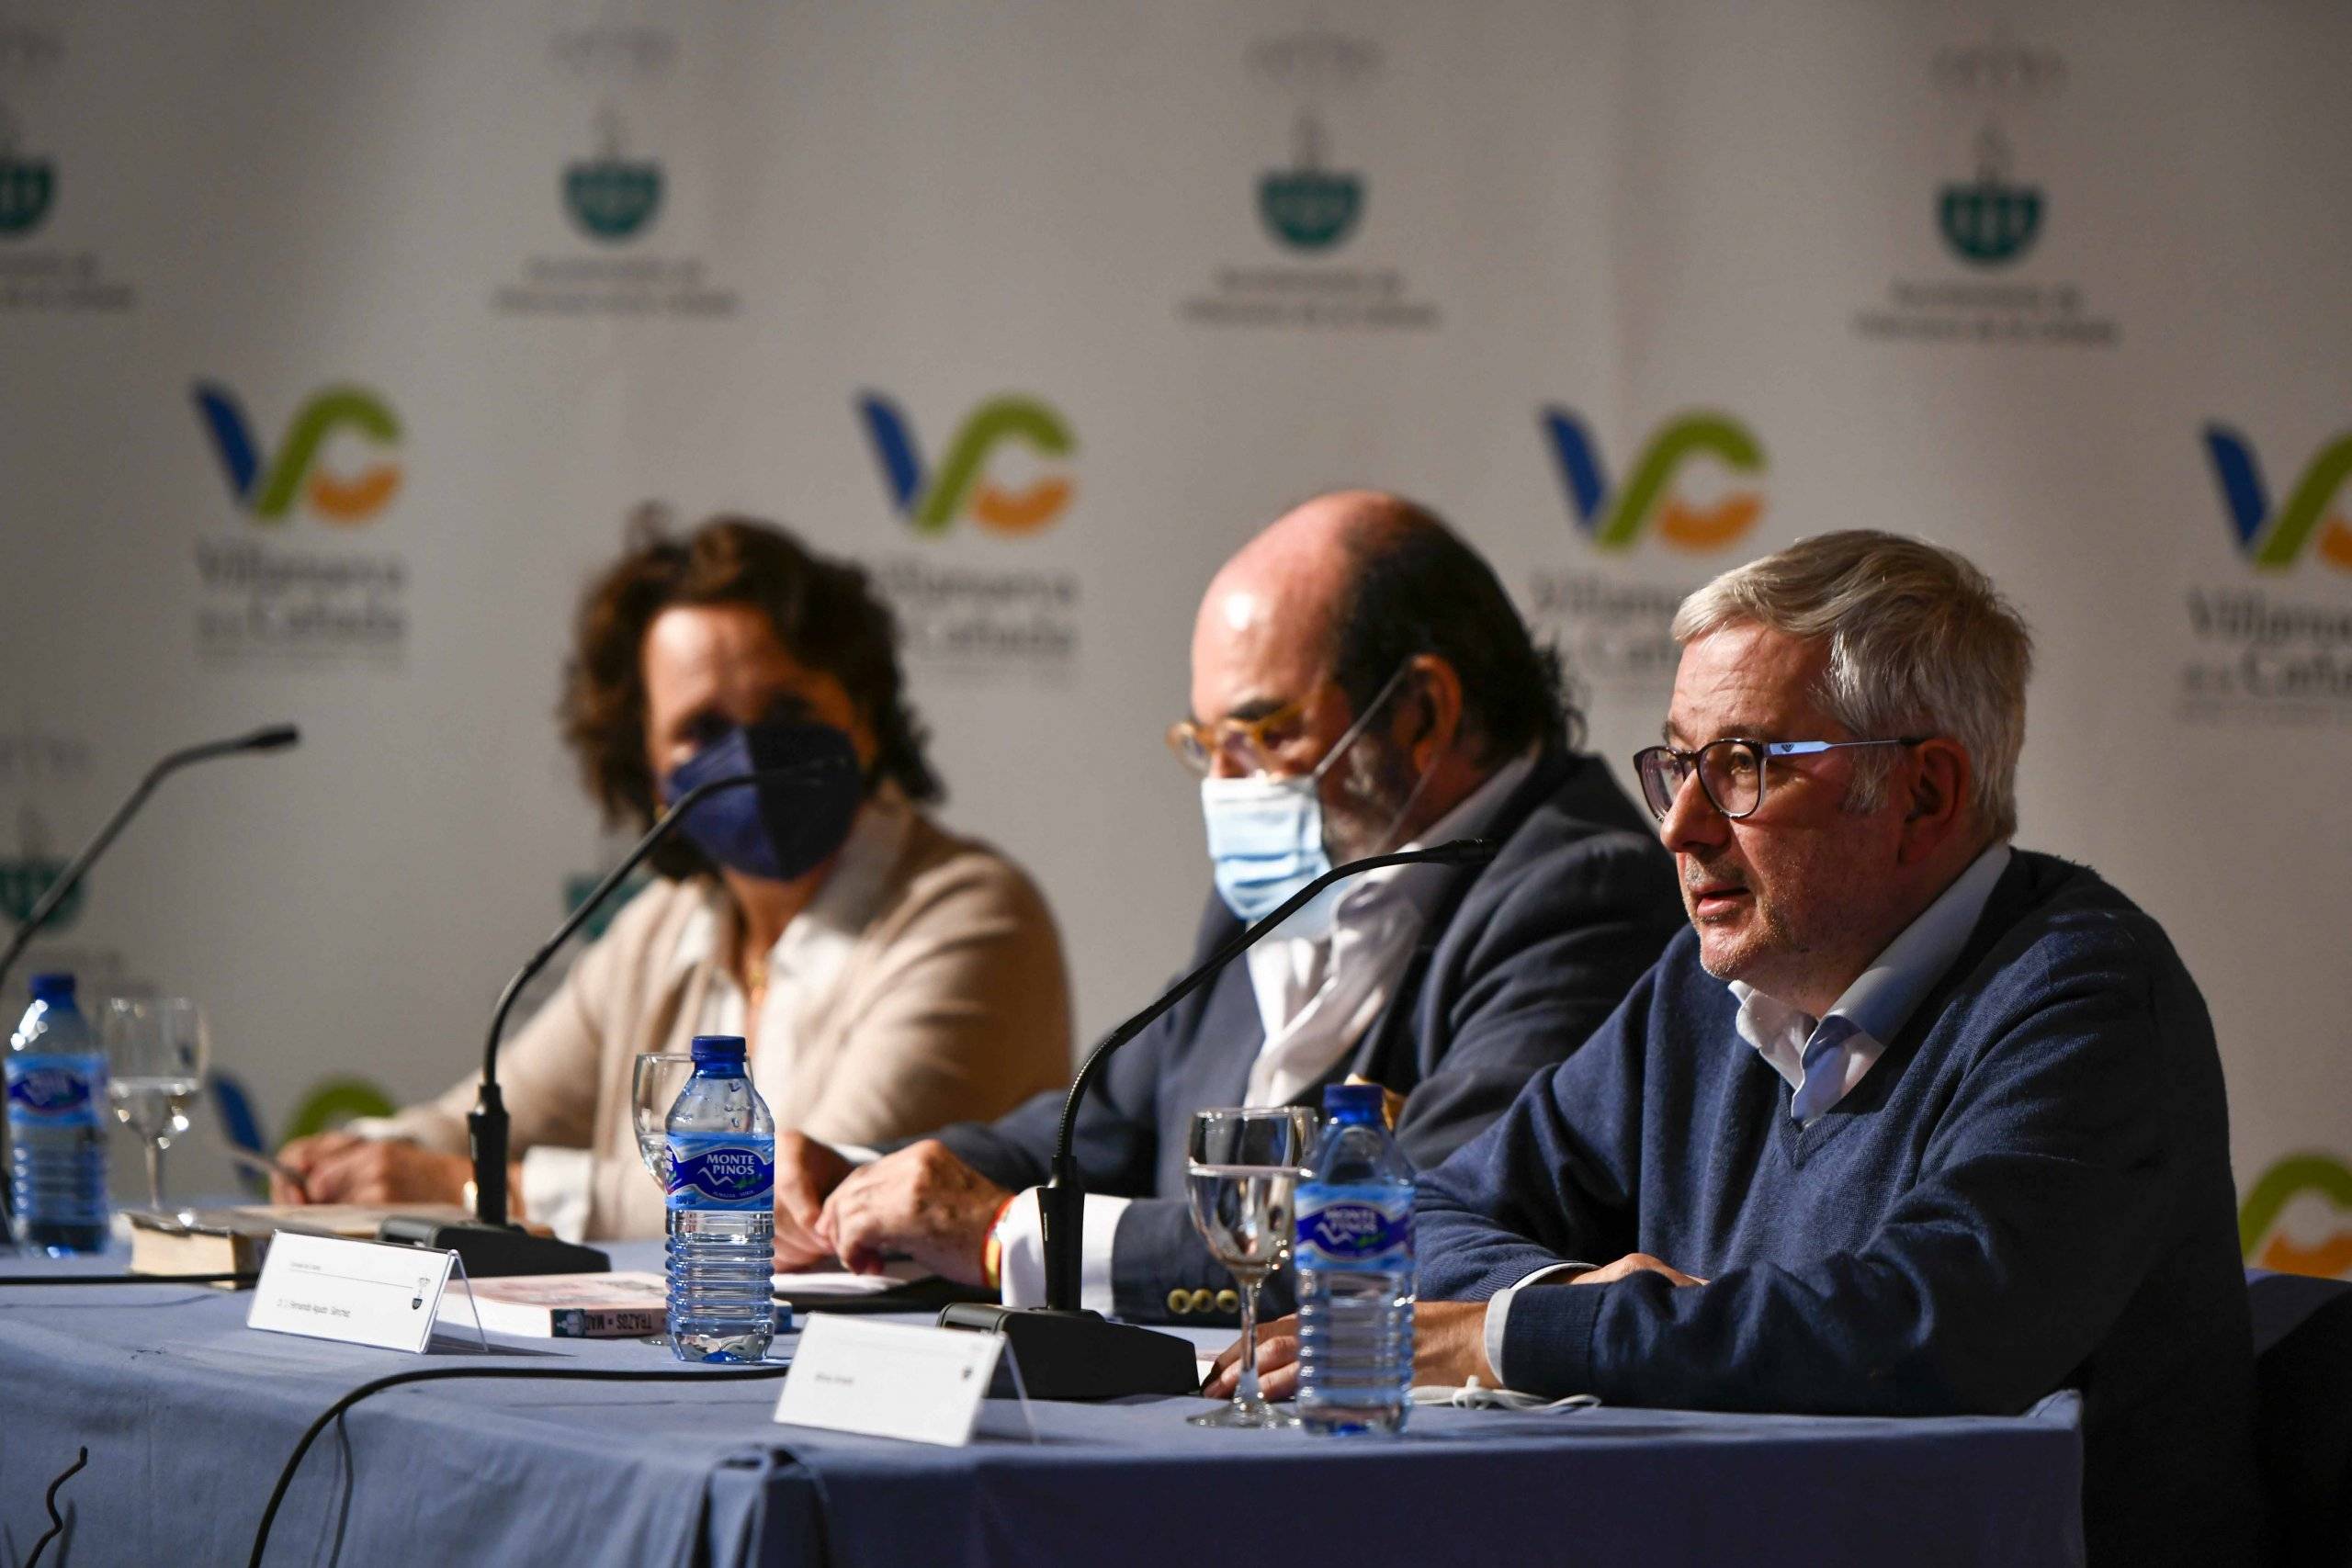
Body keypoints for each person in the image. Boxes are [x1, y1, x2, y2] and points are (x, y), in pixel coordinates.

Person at [1213, 529, 2262, 1562]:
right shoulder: (1702, 989)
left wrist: (1499, 1340)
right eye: (1676, 764)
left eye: (1744, 766)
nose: (1678, 826)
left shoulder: (2086, 997)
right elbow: (1432, 1204)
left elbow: (1922, 1328)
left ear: (1926, 793)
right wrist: (1555, 1303)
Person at [783, 491, 1685, 1324]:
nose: (1225, 785)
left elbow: (1412, 1224)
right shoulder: (1284, 873)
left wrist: (1012, 1240)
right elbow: (1100, 1124)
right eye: (1207, 743)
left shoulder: (1583, 890)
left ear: (1421, 711)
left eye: (1265, 734)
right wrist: (866, 1181)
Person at [274, 513, 1073, 1239]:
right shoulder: (664, 923)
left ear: (864, 719)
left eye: (788, 713)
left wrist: (472, 1187)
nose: (753, 755)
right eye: (705, 729)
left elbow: (806, 1204)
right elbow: (489, 1115)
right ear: (652, 771)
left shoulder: (972, 914)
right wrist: (367, 1156)